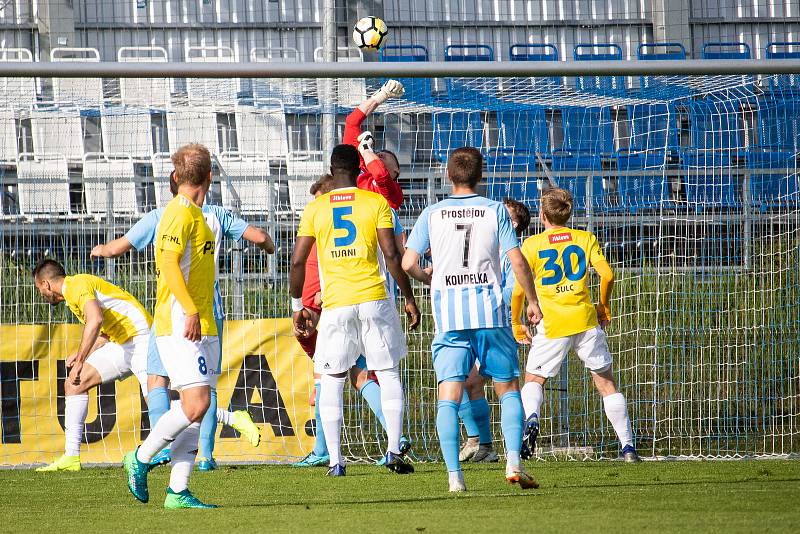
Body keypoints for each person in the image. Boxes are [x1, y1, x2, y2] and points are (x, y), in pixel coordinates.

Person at [92, 172, 270, 471]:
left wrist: (98, 250)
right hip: (210, 311)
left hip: (174, 311)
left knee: (157, 381)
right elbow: (259, 236)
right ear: (206, 181)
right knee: (205, 387)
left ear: (172, 184)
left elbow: (118, 247)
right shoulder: (216, 214)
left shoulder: (161, 216)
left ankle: (157, 450)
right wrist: (268, 247)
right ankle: (205, 456)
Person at [402, 147, 542, 493]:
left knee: (448, 394)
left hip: (449, 317)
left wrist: (427, 278)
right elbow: (517, 260)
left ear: (449, 176)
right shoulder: (494, 210)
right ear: (480, 177)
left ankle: (454, 478)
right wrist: (533, 300)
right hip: (490, 314)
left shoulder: (432, 213)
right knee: (507, 387)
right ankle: (513, 462)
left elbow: (407, 263)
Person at [289, 144, 420, 477]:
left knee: (331, 378)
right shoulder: (375, 202)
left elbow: (297, 261)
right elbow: (392, 255)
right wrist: (409, 297)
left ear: (332, 172)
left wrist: (298, 306)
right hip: (374, 298)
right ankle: (392, 450)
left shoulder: (316, 208)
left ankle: (335, 461)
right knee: (387, 373)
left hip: (336, 304)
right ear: (359, 168)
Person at [511, 187, 640, 463]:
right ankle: (628, 447)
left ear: (543, 215)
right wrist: (604, 307)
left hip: (552, 323)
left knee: (534, 380)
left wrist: (516, 322)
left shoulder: (532, 245)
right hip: (585, 319)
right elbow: (607, 275)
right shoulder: (585, 238)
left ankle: (532, 418)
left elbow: (520, 290)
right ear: (568, 213)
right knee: (606, 384)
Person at [122, 143, 220, 509]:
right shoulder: (178, 213)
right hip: (181, 322)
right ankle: (141, 458)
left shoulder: (196, 214)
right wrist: (191, 309)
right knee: (196, 404)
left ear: (177, 176)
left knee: (197, 407)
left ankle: (178, 491)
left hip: (202, 322)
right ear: (210, 176)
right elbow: (166, 262)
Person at [32, 259, 151, 472]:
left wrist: (79, 361)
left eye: (39, 288)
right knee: (74, 384)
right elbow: (104, 333)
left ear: (46, 284)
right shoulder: (73, 294)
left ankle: (227, 417)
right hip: (121, 343)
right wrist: (79, 356)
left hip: (142, 338)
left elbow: (95, 320)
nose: (41, 294)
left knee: (160, 399)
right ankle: (71, 457)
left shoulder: (76, 285)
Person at [458, 198, 531, 463]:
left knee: (504, 386)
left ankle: (511, 449)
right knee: (469, 382)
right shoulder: (484, 246)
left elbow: (513, 291)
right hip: (475, 321)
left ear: (512, 223)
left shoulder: (513, 255)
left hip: (498, 324)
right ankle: (482, 443)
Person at [344, 79, 405, 210]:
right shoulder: (360, 167)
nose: (380, 154)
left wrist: (366, 150)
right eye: (378, 154)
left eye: (387, 155)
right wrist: (382, 95)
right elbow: (352, 122)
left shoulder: (395, 192)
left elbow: (380, 175)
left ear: (396, 171)